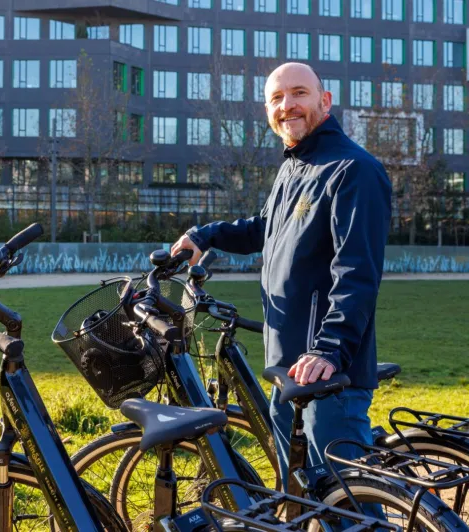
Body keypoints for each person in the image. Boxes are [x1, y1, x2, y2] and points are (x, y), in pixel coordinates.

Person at [170, 62, 392, 486]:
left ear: (325, 101)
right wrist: (205, 235)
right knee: (303, 498)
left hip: (327, 377)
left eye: (299, 93)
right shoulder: (295, 165)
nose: (286, 105)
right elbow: (264, 228)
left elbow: (358, 273)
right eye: (276, 98)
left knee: (348, 504)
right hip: (287, 371)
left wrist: (329, 351)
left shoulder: (351, 169)